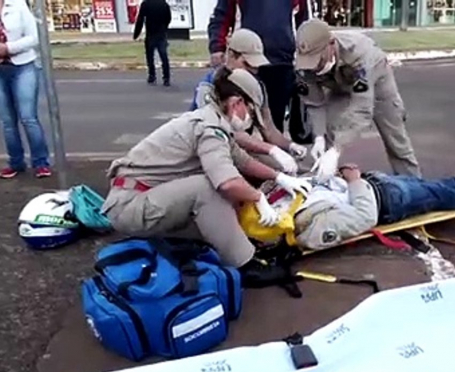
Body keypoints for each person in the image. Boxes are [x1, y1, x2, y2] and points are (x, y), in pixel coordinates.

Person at [101, 68, 312, 277]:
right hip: (131, 206)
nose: (250, 119)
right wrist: (258, 198)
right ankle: (245, 266)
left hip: (142, 198)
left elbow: (242, 160)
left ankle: (237, 247)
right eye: (250, 110)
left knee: (223, 194)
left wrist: (279, 177)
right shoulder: (209, 129)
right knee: (208, 187)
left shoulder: (213, 120)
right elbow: (227, 182)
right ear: (236, 103)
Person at [291, 161, 455, 251]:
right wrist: (354, 181)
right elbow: (365, 218)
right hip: (388, 201)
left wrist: (336, 174)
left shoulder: (282, 202)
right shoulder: (308, 231)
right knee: (444, 197)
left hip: (377, 185)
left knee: (432, 187)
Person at [294, 18, 421, 182]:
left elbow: (362, 109)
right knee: (330, 128)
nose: (314, 66)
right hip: (338, 85)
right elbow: (314, 103)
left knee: (396, 141)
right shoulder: (303, 63)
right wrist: (318, 136)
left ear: (331, 44)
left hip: (377, 79)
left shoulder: (359, 54)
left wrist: (336, 150)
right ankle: (327, 181)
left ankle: (415, 185)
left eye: (318, 59)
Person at [190, 29, 308, 174]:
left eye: (256, 66)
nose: (253, 71)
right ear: (231, 55)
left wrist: (291, 146)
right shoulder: (209, 88)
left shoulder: (255, 85)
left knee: (297, 170)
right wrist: (271, 150)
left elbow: (269, 129)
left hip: (246, 150)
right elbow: (227, 134)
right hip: (213, 152)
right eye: (247, 64)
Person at [207, 0, 310, 143]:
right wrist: (217, 47)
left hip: (282, 61)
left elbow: (303, 23)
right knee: (241, 116)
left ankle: (272, 156)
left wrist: (305, 52)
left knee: (273, 120)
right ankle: (240, 156)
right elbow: (221, 16)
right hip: (246, 58)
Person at [0, 0, 52, 179]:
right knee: (7, 121)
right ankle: (16, 163)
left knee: (28, 117)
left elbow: (34, 36)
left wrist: (8, 48)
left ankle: (41, 163)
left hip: (22, 66)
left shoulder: (17, 4)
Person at [133, 0, 172, 86]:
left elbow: (140, 19)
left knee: (150, 56)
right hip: (161, 33)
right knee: (164, 56)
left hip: (150, 33)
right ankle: (166, 78)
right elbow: (168, 18)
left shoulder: (146, 4)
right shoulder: (164, 4)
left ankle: (152, 75)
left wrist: (136, 34)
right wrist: (164, 28)